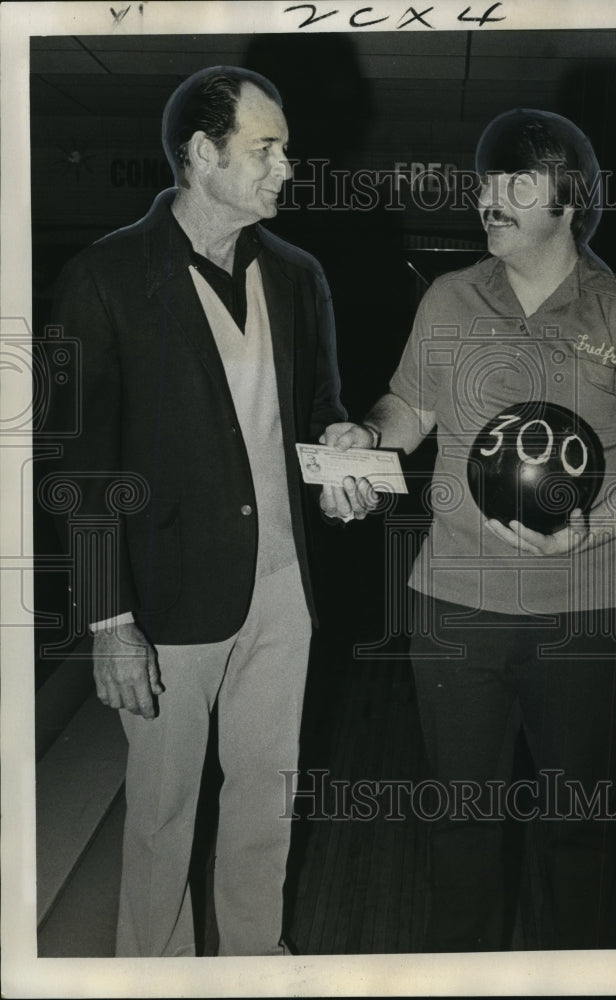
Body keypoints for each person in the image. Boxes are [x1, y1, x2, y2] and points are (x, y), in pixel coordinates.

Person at [320, 109, 616, 951]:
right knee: (463, 827)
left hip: (586, 610)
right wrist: (370, 435)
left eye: (513, 183)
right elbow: (410, 406)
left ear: (567, 200)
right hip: (454, 605)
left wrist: (590, 530)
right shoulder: (450, 297)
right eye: (486, 181)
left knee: (580, 833)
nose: (487, 198)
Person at [46, 66, 346, 956]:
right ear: (201, 154)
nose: (287, 165)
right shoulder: (102, 277)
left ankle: (254, 957)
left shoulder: (297, 275)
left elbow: (322, 407)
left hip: (283, 590)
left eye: (284, 147)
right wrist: (109, 619)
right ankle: (157, 969)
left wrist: (344, 463)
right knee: (162, 810)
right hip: (167, 596)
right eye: (265, 149)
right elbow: (77, 464)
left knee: (266, 794)